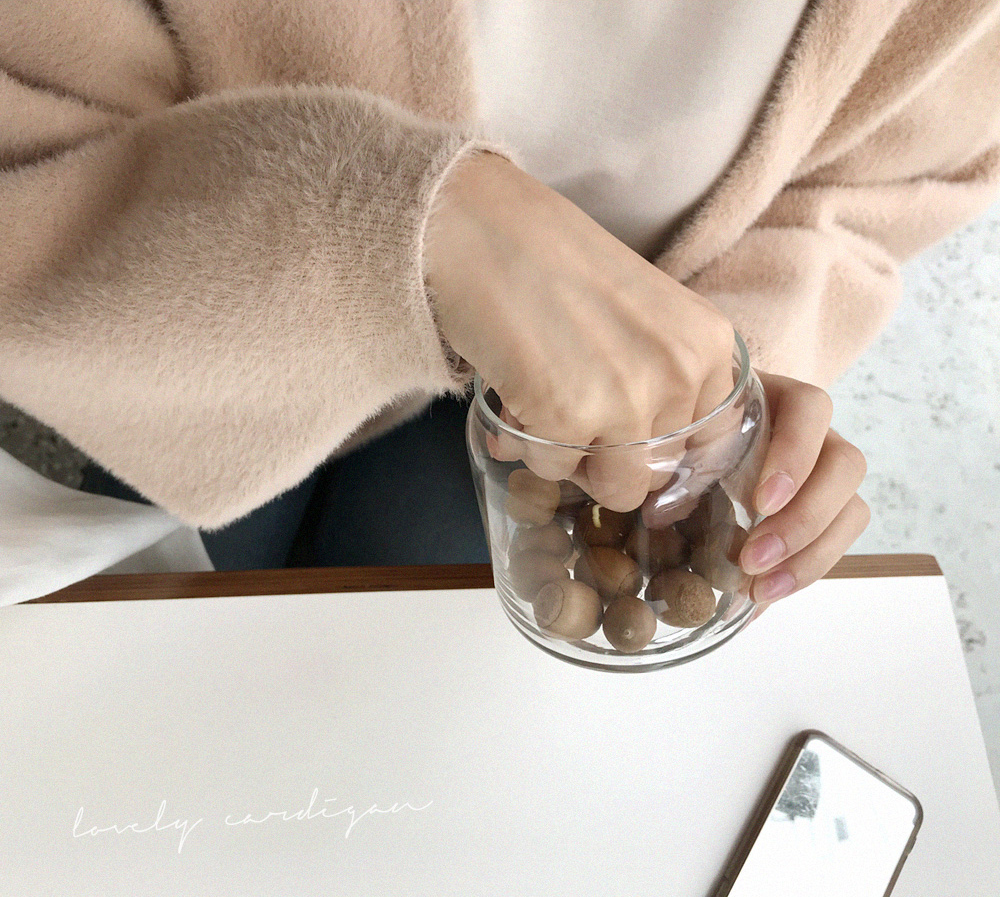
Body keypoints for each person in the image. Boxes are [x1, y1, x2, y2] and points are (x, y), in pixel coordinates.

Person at [2, 1, 998, 613]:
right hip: (204, 282)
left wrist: (714, 383)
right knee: (163, 684)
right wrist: (413, 229)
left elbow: (878, 185)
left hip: (592, 423)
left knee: (444, 713)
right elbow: (32, 145)